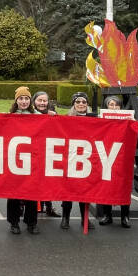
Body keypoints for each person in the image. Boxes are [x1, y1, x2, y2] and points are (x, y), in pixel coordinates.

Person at [94, 95, 133, 229]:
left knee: (124, 186)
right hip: (105, 155)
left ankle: (125, 216)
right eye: (111, 105)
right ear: (106, 106)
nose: (114, 107)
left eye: (117, 105)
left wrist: (132, 123)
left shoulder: (128, 120)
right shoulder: (100, 120)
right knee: (107, 185)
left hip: (122, 156)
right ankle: (107, 215)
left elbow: (135, 136)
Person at [60, 92, 96, 231]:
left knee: (84, 191)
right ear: (73, 104)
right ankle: (65, 218)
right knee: (67, 190)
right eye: (78, 102)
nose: (81, 104)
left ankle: (85, 219)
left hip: (86, 159)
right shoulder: (66, 119)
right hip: (70, 158)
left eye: (84, 102)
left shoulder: (94, 119)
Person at [6, 86, 38, 235]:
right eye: (21, 98)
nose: (24, 101)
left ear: (30, 100)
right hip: (14, 160)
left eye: (26, 98)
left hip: (32, 160)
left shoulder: (38, 116)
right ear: (16, 100)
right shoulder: (9, 117)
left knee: (32, 192)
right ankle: (14, 222)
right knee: (13, 192)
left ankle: (31, 222)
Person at [31, 91, 60, 218]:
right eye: (39, 100)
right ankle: (25, 206)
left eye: (45, 101)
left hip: (48, 153)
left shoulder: (53, 115)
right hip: (32, 152)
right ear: (34, 101)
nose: (42, 103)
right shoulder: (28, 114)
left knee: (48, 182)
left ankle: (48, 207)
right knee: (31, 181)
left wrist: (55, 117)